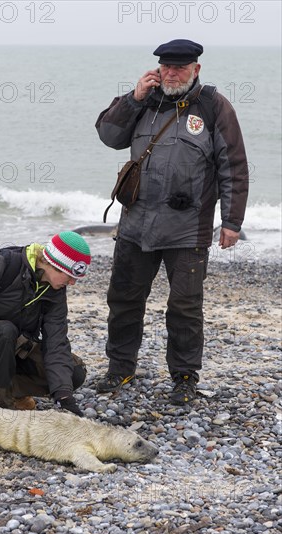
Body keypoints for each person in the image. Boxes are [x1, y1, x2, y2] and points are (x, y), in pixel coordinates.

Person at [95, 39, 249, 405]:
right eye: (167, 67)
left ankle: (183, 376)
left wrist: (232, 221)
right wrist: (132, 98)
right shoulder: (140, 102)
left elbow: (234, 167)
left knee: (184, 306)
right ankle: (120, 369)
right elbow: (108, 136)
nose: (172, 73)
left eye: (180, 67)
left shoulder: (213, 106)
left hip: (187, 229)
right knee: (124, 300)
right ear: (157, 69)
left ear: (196, 69)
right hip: (135, 225)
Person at [0, 231, 91, 416]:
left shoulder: (55, 292)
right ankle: (2, 407)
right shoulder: (0, 265)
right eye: (70, 276)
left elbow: (56, 342)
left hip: (16, 349)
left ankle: (11, 390)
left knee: (75, 373)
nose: (73, 283)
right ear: (53, 264)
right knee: (5, 330)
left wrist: (64, 397)